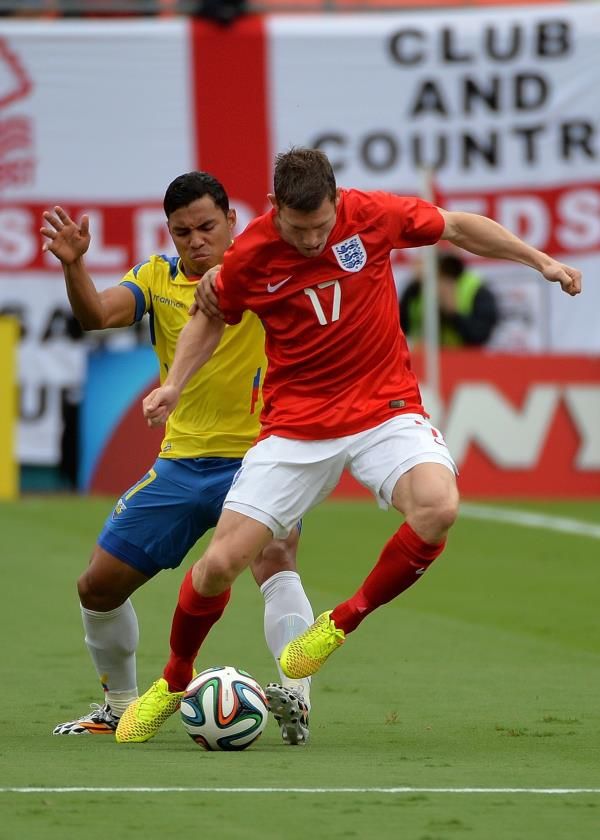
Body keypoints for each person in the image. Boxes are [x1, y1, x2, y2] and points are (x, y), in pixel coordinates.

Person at [115, 148, 581, 743]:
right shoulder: (251, 253)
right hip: (295, 426)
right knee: (220, 565)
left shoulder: (373, 215)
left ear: (337, 200)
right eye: (298, 228)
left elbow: (459, 227)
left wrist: (540, 260)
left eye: (321, 226)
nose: (312, 241)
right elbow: (210, 316)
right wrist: (174, 384)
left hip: (384, 409)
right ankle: (174, 679)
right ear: (274, 207)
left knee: (438, 507)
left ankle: (338, 623)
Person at [40, 171, 315, 745]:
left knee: (276, 557)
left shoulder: (265, 268)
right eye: (182, 232)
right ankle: (119, 707)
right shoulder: (156, 277)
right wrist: (74, 265)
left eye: (207, 226)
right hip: (181, 464)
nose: (196, 240)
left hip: (260, 458)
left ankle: (296, 699)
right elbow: (97, 315)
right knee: (97, 586)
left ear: (232, 221)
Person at [400, 252, 499, 347]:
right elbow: (400, 326)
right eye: (441, 274)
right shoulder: (416, 288)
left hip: (463, 356)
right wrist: (414, 285)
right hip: (423, 356)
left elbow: (480, 336)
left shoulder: (476, 289)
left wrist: (454, 314)